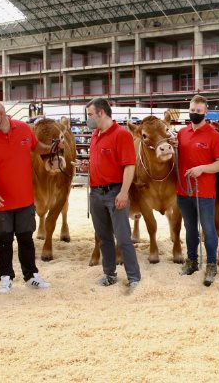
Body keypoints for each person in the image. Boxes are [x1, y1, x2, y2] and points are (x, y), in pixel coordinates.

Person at [0, 99, 55, 295]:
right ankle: (5, 277)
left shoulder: (24, 129)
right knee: (4, 240)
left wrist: (52, 149)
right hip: (0, 202)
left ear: (1, 114)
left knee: (26, 239)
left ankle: (31, 275)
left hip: (25, 199)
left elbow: (37, 147)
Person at [86, 98, 141, 293]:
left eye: (90, 115)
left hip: (114, 192)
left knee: (123, 237)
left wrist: (124, 192)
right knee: (103, 236)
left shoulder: (121, 135)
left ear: (101, 113)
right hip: (96, 192)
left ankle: (134, 277)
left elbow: (129, 165)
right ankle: (109, 274)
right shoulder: (95, 135)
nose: (88, 119)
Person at [176, 95, 219, 286]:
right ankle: (192, 261)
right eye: (192, 110)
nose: (194, 113)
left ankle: (212, 264)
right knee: (190, 228)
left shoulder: (214, 136)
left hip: (204, 191)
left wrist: (202, 168)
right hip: (183, 190)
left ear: (206, 112)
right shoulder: (181, 133)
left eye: (198, 111)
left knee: (208, 228)